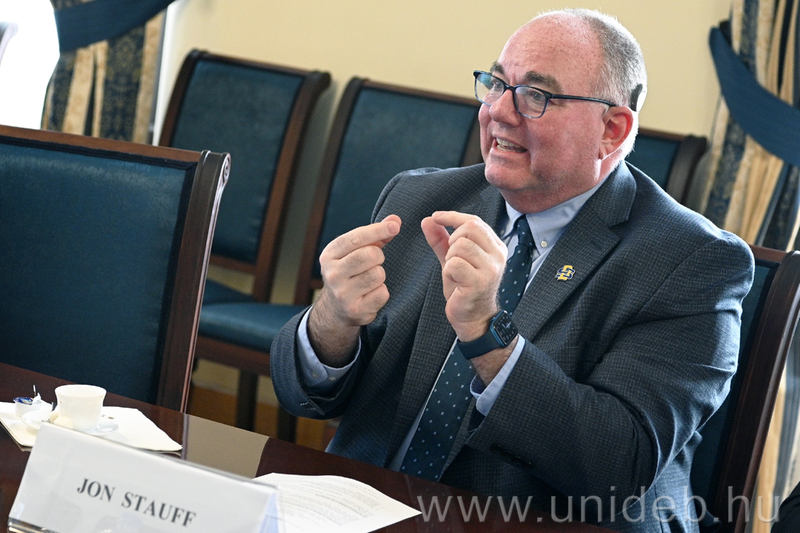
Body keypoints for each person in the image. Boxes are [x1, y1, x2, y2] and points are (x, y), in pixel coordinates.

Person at [271, 8, 754, 532]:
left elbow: (618, 467)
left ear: (611, 130)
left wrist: (486, 334)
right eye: (497, 84)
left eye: (536, 96)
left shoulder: (692, 262)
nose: (498, 111)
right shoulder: (418, 199)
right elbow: (302, 396)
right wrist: (331, 321)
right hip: (360, 510)